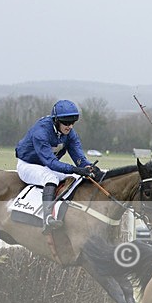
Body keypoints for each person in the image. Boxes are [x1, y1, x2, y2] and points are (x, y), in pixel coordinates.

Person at [15, 100, 101, 234]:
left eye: (73, 122)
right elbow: (51, 162)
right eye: (66, 123)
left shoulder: (70, 134)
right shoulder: (41, 131)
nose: (70, 126)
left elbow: (80, 159)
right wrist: (75, 169)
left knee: (75, 178)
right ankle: (47, 218)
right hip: (28, 165)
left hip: (45, 166)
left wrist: (89, 167)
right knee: (51, 178)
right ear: (56, 120)